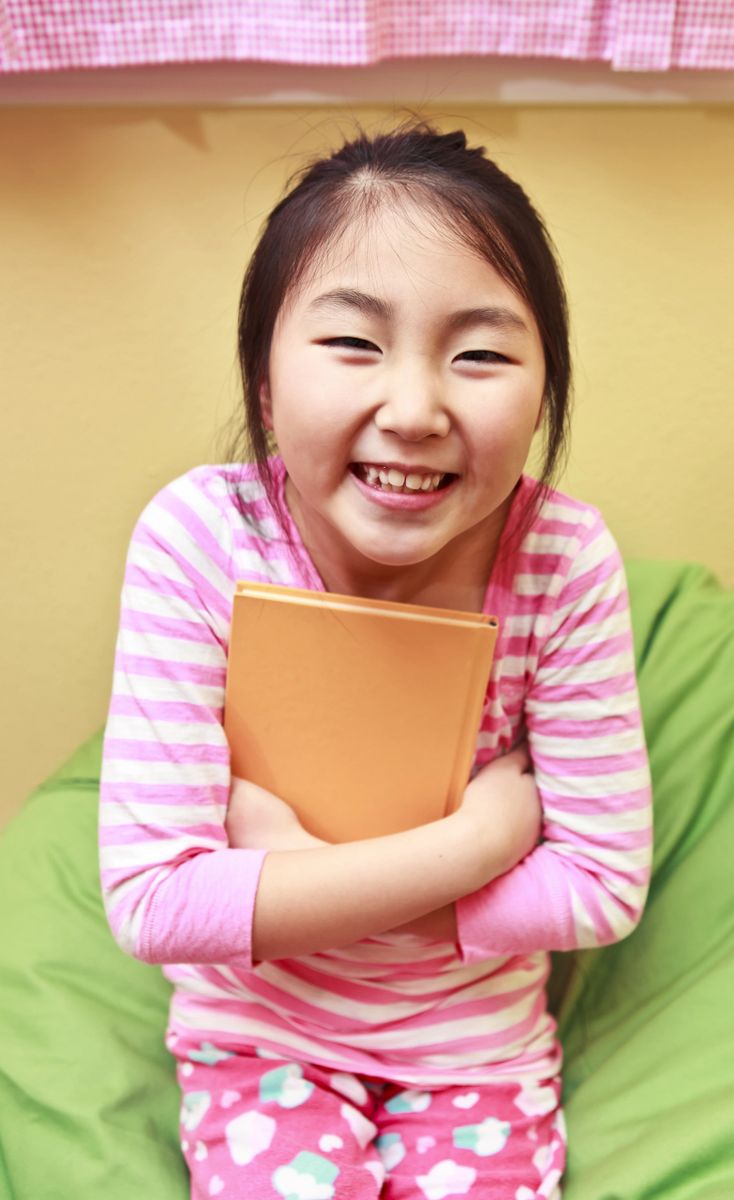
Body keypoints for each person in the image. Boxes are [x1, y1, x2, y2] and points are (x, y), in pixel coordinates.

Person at [99, 123, 652, 1200]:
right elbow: (154, 906)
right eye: (353, 344)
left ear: (543, 390)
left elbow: (599, 886)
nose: (413, 410)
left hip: (474, 1060)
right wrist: (479, 841)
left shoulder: (563, 558)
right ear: (263, 382)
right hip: (257, 1039)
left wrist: (285, 861)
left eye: (479, 354)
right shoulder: (201, 537)